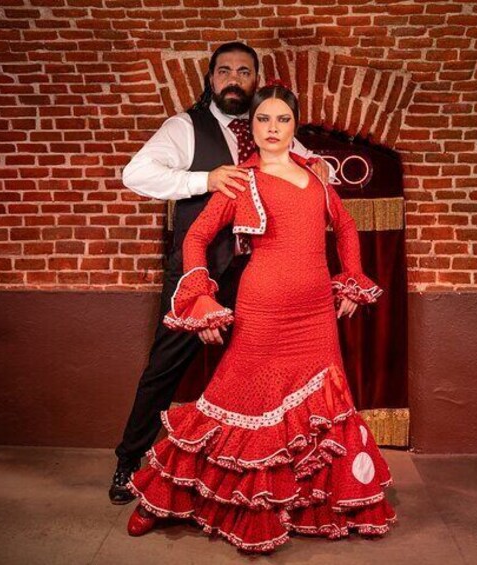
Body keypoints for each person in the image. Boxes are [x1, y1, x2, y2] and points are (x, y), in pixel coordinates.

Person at [124, 83, 395, 553]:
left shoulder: (315, 174)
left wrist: (352, 276)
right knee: (232, 400)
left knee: (323, 410)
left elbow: (346, 227)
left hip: (316, 313)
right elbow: (196, 238)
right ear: (251, 127)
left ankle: (311, 504)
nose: (273, 128)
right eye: (263, 119)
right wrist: (200, 297)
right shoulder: (240, 179)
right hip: (263, 309)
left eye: (282, 119)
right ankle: (162, 495)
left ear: (294, 125)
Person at [111, 42, 334, 504]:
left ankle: (257, 472)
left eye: (244, 71)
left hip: (258, 280)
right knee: (165, 367)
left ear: (256, 80)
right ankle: (129, 461)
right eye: (225, 71)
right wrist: (204, 179)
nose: (234, 79)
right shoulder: (184, 128)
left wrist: (319, 167)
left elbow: (312, 165)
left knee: (260, 375)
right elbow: (136, 173)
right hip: (201, 274)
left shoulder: (269, 126)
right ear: (211, 79)